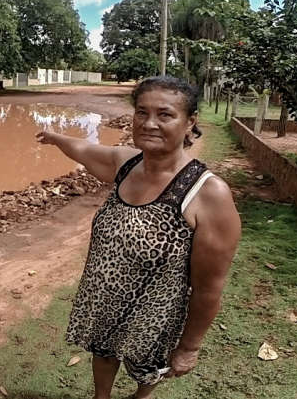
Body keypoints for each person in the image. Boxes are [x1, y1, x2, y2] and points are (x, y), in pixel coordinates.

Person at [36, 76, 241, 399]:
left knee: (147, 368)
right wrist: (53, 136)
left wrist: (189, 347)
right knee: (103, 351)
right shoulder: (126, 163)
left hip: (157, 313)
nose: (149, 123)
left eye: (165, 115)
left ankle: (140, 397)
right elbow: (84, 149)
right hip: (106, 299)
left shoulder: (207, 193)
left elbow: (209, 287)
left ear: (190, 123)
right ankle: (101, 396)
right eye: (141, 113)